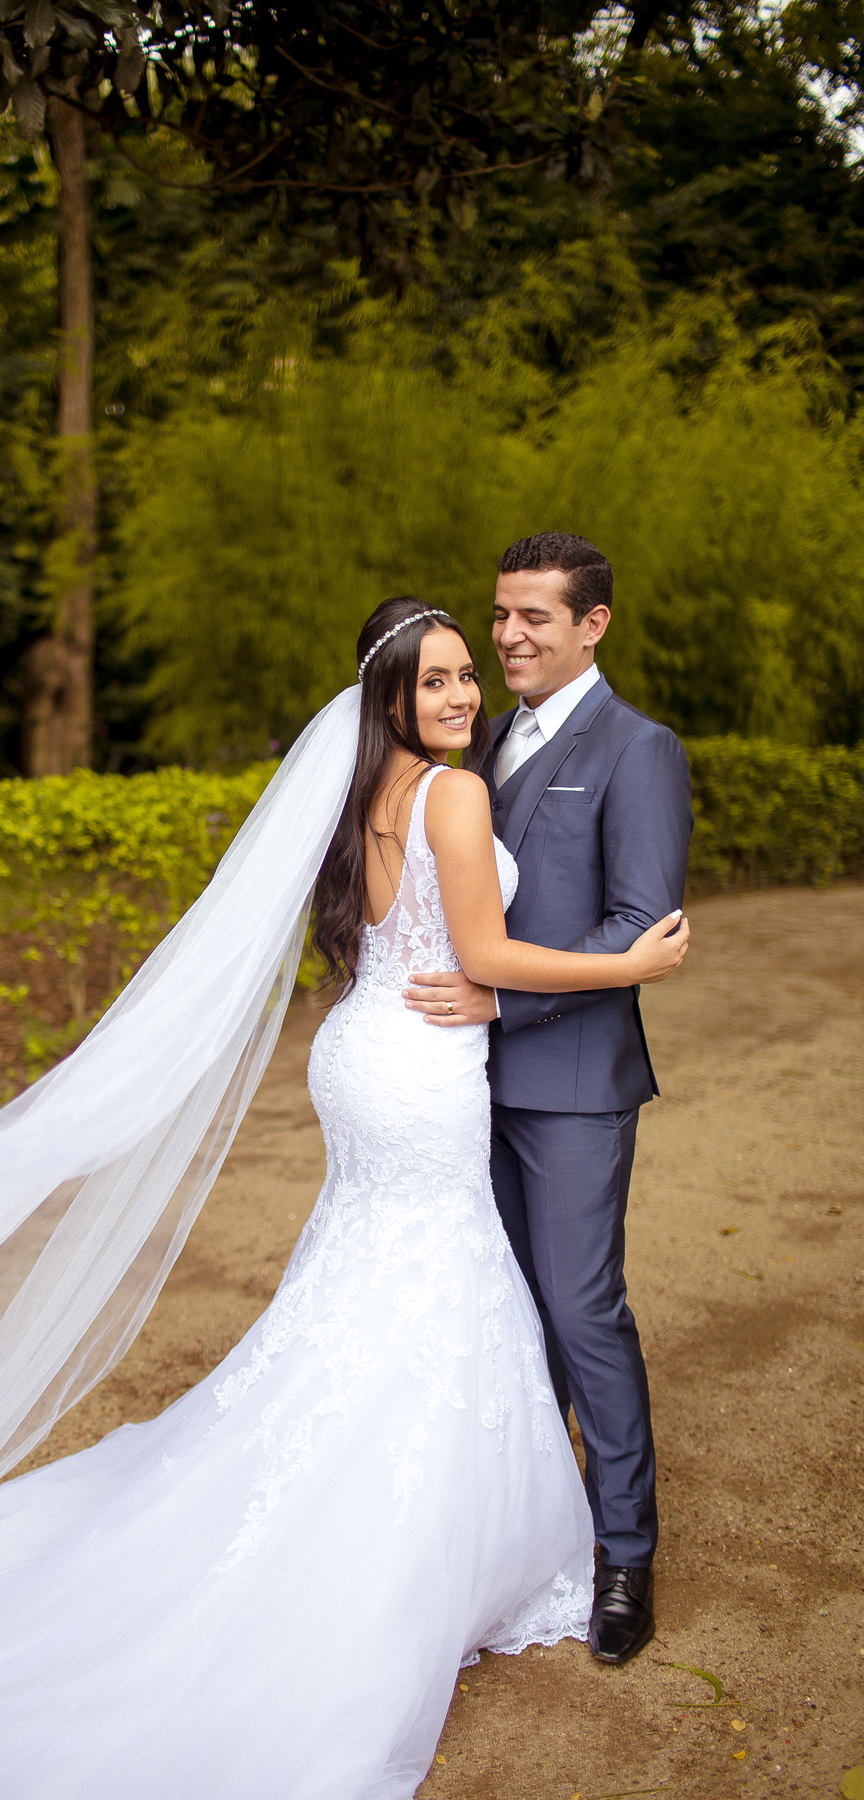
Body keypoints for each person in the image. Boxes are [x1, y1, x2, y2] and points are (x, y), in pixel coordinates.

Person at [0, 598, 688, 1800]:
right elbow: (488, 956)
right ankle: (411, 1542)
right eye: (441, 681)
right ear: (394, 698)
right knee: (435, 1275)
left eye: (470, 678)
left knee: (371, 1277)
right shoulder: (454, 793)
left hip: (368, 1050)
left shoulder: (364, 791)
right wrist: (631, 964)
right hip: (420, 1069)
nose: (464, 697)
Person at [402, 535, 694, 1666]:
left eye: (533, 617)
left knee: (581, 1310)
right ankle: (531, 1528)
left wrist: (494, 1002)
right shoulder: (474, 745)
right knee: (504, 1311)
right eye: (500, 616)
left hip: (571, 1084)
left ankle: (625, 1552)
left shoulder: (639, 750)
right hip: (465, 1089)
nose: (509, 637)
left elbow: (641, 926)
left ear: (594, 624)